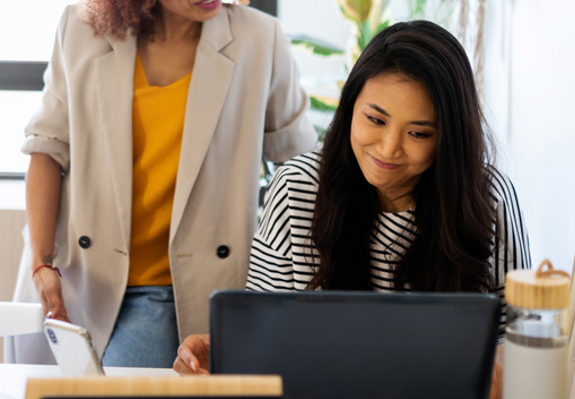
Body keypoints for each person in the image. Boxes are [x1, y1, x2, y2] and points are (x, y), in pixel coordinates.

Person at [11, 0, 317, 368]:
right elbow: (47, 151)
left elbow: (301, 169)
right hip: (89, 281)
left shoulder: (260, 42)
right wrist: (43, 264)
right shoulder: (81, 33)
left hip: (195, 290)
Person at [174, 20, 530, 398]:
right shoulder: (296, 189)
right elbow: (266, 336)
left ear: (449, 136)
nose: (389, 148)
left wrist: (501, 365)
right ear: (349, 108)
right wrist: (228, 355)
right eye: (375, 120)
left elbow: (517, 339)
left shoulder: (489, 199)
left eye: (419, 133)